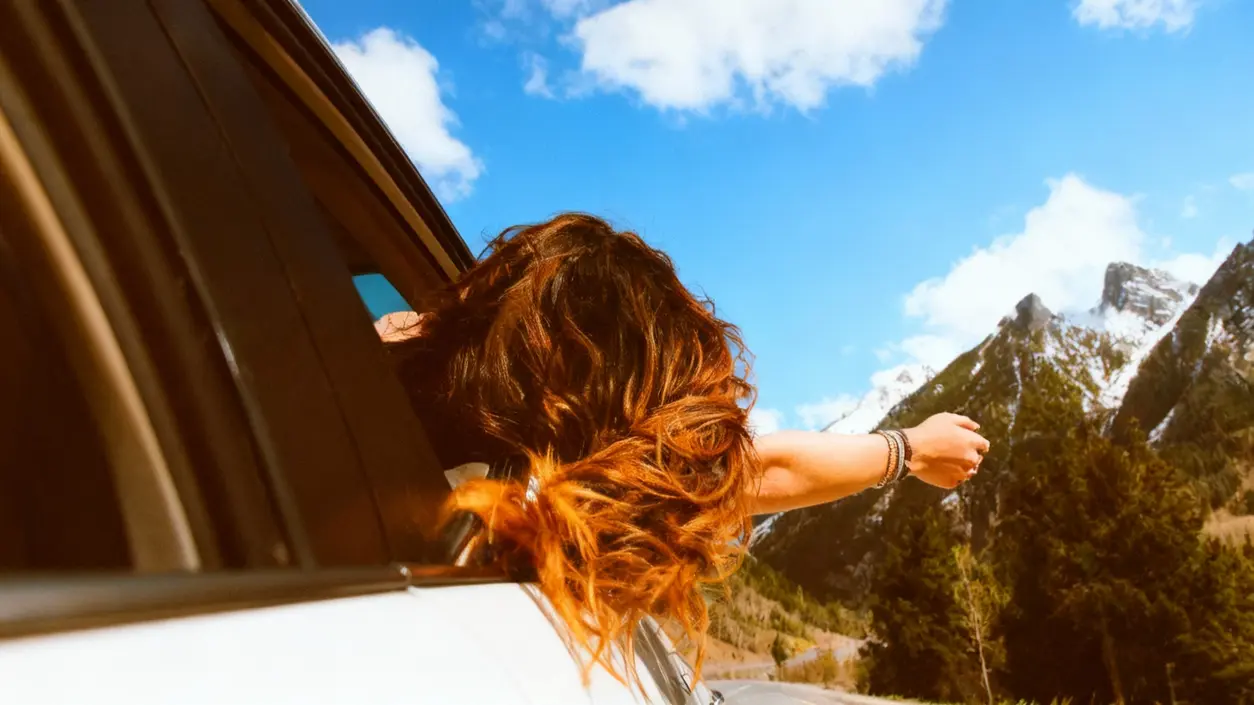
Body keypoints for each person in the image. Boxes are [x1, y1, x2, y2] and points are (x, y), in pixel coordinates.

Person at [375, 213, 989, 686]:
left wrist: (390, 343)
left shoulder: (361, 421)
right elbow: (759, 469)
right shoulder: (542, 523)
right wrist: (908, 449)